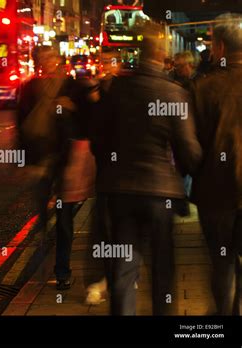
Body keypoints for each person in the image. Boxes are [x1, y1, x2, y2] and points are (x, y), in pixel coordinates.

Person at [89, 22, 202, 315]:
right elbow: (187, 148)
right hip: (160, 191)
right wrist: (191, 174)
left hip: (120, 190)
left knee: (124, 268)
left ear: (139, 52)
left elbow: (98, 137)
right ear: (163, 53)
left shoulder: (118, 89)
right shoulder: (172, 92)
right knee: (162, 268)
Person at [17, 46, 96, 290]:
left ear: (58, 60)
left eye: (51, 57)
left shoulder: (72, 86)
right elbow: (20, 124)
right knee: (40, 220)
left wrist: (73, 107)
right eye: (42, 59)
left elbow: (90, 120)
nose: (47, 62)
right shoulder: (29, 88)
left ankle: (62, 272)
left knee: (64, 220)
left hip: (66, 160)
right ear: (37, 62)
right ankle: (41, 265)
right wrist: (24, 161)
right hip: (40, 161)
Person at [191, 13, 242, 315]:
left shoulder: (204, 88)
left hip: (216, 192)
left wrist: (193, 174)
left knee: (222, 262)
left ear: (220, 46)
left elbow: (190, 144)